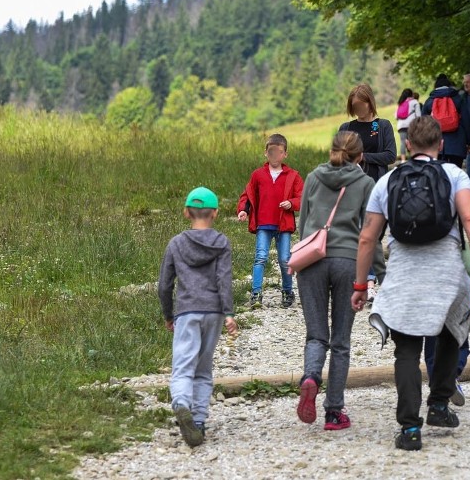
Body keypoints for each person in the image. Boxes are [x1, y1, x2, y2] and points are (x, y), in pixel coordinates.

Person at [352, 116, 470, 451]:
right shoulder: (455, 174)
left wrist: (361, 285)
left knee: (407, 350)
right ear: (441, 145)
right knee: (450, 334)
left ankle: (410, 430)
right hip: (446, 270)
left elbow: (367, 238)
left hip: (403, 272)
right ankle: (440, 405)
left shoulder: (386, 182)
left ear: (408, 145)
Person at [295, 131, 376, 431]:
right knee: (341, 341)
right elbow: (369, 233)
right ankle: (333, 412)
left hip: (312, 260)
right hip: (347, 262)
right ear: (360, 156)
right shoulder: (365, 183)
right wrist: (378, 272)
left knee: (316, 335)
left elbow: (304, 222)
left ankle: (310, 377)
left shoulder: (314, 176)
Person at [158, 186, 238, 448]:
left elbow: (164, 285)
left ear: (185, 212)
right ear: (215, 213)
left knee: (183, 366)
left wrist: (169, 315)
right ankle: (199, 422)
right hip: (213, 312)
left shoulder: (176, 243)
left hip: (186, 311)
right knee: (203, 369)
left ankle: (181, 402)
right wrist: (228, 313)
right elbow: (224, 280)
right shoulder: (222, 242)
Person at [237, 134, 304, 308]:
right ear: (266, 153)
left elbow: (303, 197)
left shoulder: (293, 176)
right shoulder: (258, 175)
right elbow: (248, 195)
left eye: (279, 152)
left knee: (284, 259)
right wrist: (244, 210)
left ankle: (288, 291)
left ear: (285, 154)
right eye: (271, 152)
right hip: (263, 225)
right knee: (260, 257)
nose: (275, 156)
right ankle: (256, 293)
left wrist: (292, 203)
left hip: (283, 225)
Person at [338, 83, 394, 289]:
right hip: (350, 188)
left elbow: (389, 155)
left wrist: (363, 157)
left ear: (370, 103)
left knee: (371, 234)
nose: (358, 110)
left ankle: (368, 279)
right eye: (354, 106)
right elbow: (336, 157)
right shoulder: (346, 128)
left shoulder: (382, 126)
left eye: (361, 105)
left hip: (376, 187)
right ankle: (365, 280)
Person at [422, 74, 470, 168]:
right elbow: (466, 121)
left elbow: (422, 124)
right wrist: (469, 142)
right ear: (449, 86)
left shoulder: (429, 101)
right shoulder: (458, 99)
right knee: (455, 173)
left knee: (440, 174)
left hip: (436, 144)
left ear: (435, 87)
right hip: (457, 143)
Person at [394, 88, 422, 163]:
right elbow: (418, 115)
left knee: (403, 142)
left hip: (401, 126)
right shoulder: (414, 102)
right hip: (411, 124)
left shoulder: (401, 102)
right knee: (413, 141)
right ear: (411, 94)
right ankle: (413, 158)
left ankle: (403, 160)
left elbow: (396, 116)